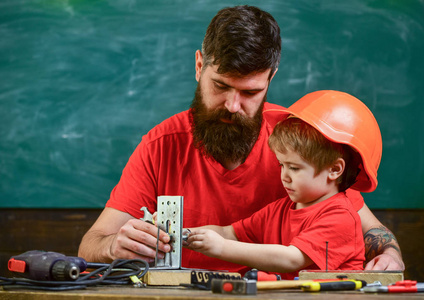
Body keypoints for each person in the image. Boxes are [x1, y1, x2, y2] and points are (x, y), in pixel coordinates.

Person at [78, 5, 404, 272]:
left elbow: (368, 229)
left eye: (250, 92)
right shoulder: (160, 146)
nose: (233, 106)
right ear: (199, 65)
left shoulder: (300, 138)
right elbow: (90, 246)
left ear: (271, 78)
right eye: (220, 86)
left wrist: (390, 254)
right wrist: (112, 246)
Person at [185, 90, 376, 278]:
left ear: (334, 170)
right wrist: (181, 234)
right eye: (281, 165)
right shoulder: (279, 210)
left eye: (294, 168)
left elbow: (291, 259)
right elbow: (229, 233)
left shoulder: (340, 217)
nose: (284, 176)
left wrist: (221, 248)